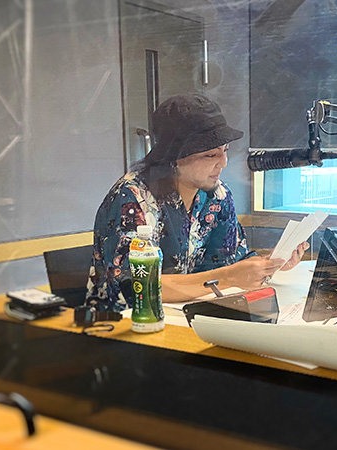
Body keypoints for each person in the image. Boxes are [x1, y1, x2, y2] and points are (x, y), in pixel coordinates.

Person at [87, 93, 308, 311]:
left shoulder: (217, 196)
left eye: (225, 151)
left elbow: (229, 261)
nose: (223, 162)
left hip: (188, 312)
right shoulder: (133, 198)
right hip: (123, 322)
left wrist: (268, 264)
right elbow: (135, 286)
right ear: (174, 157)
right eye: (210, 155)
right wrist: (229, 277)